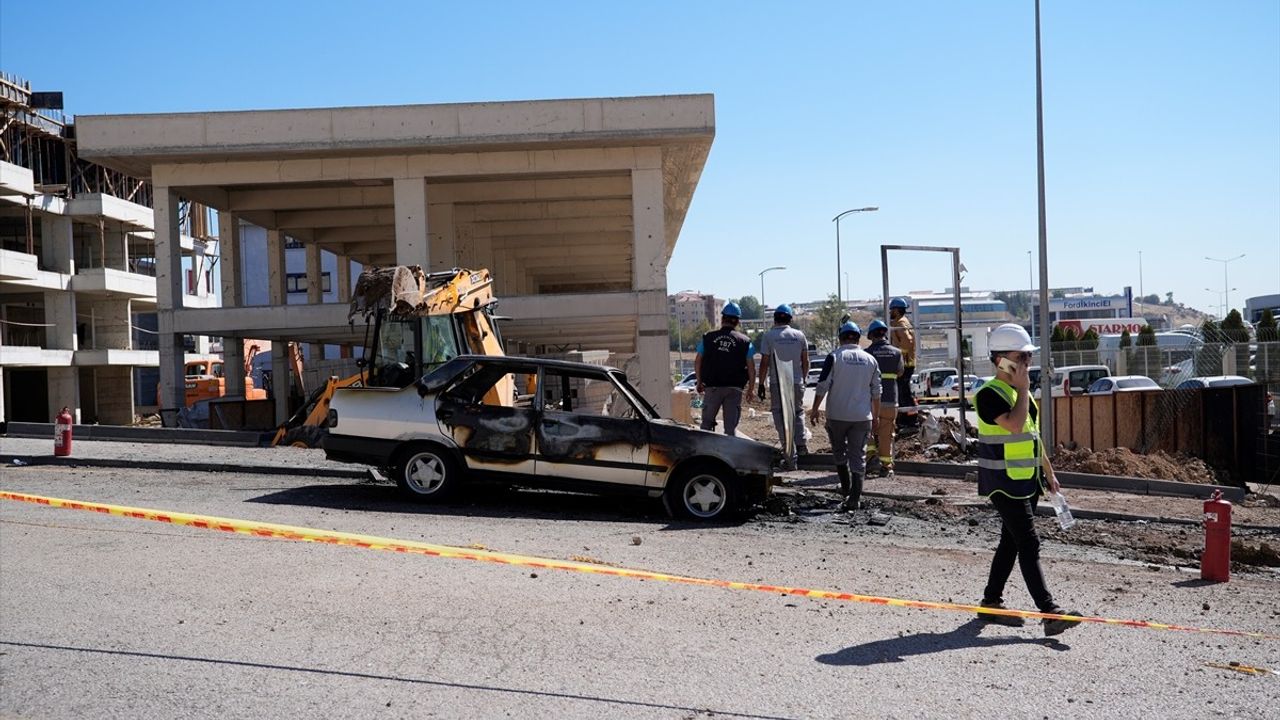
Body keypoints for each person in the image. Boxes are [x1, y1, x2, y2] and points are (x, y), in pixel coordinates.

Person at [975, 323, 1081, 637]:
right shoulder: (988, 394)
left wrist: (1049, 473)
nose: (1026, 362)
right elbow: (1014, 424)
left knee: (1010, 542)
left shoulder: (1019, 393)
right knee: (1028, 542)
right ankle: (1050, 612)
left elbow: (1032, 436)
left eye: (1027, 356)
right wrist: (1023, 389)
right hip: (1002, 481)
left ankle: (990, 602)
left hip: (1026, 478)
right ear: (1000, 360)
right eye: (1019, 357)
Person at [808, 322, 880, 510]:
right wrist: (876, 416)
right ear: (858, 337)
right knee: (858, 456)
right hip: (862, 417)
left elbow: (823, 385)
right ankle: (854, 498)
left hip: (837, 415)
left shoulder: (835, 357)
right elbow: (876, 392)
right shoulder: (870, 360)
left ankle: (846, 491)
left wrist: (815, 408)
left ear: (841, 338)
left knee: (839, 454)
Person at [757, 304, 809, 467]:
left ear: (775, 319)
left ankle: (789, 454)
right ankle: (801, 445)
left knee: (780, 415)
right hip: (796, 381)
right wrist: (804, 379)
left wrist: (761, 383)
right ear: (790, 319)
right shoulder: (799, 336)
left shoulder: (769, 336)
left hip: (778, 382)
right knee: (798, 412)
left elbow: (764, 362)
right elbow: (805, 361)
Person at [694, 302, 756, 436]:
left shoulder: (708, 338)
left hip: (712, 387)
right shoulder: (746, 342)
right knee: (730, 429)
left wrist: (699, 381)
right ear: (737, 321)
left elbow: (698, 360)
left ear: (722, 319)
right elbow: (751, 368)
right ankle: (729, 454)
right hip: (734, 389)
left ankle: (704, 453)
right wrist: (751, 389)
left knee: (706, 425)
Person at [863, 319, 904, 477]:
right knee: (887, 434)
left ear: (871, 335)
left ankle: (871, 459)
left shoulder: (866, 354)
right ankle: (887, 467)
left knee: (868, 431)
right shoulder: (897, 352)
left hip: (870, 401)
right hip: (890, 399)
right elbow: (900, 372)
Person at [888, 297, 917, 424]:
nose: (890, 312)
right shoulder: (900, 322)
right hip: (906, 363)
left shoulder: (901, 323)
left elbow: (908, 342)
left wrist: (898, 353)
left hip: (905, 363)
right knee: (903, 391)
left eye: (891, 310)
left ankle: (909, 419)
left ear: (896, 310)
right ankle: (908, 418)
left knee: (903, 392)